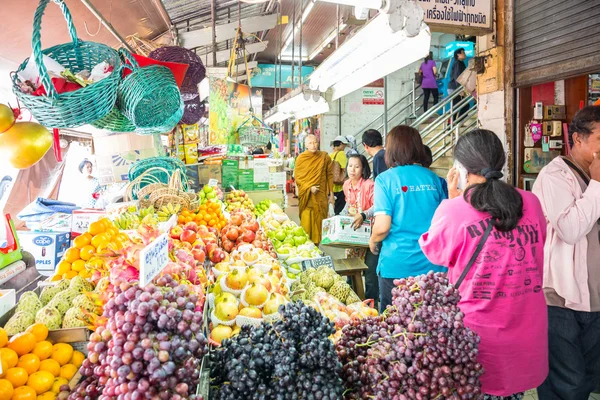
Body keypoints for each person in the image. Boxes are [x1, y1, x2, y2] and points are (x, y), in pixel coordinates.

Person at [420, 129, 548, 400]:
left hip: (477, 342)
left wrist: (453, 200)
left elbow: (434, 252)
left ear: (461, 168)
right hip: (527, 336)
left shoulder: (454, 209)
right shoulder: (532, 203)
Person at [532, 105, 600, 400]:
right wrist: (597, 184)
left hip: (595, 299)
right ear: (578, 139)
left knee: (588, 377)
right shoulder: (554, 176)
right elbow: (571, 230)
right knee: (566, 383)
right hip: (561, 296)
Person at [370, 125, 445, 311]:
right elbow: (445, 221)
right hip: (432, 267)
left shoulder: (385, 180)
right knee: (430, 327)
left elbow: (382, 227)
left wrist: (372, 240)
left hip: (397, 266)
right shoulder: (435, 179)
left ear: (392, 149)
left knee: (394, 327)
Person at [342, 154, 379, 306]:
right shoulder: (346, 185)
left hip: (370, 234)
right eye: (350, 166)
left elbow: (378, 206)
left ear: (363, 169)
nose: (353, 169)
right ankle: (354, 305)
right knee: (350, 270)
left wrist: (363, 215)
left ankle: (372, 305)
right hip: (353, 234)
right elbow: (347, 206)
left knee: (370, 273)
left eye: (357, 166)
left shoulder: (369, 185)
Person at [294, 134, 334, 244]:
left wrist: (331, 194)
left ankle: (317, 247)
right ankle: (306, 246)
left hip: (321, 197)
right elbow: (298, 178)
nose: (313, 145)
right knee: (306, 226)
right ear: (306, 145)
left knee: (319, 225)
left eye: (315, 142)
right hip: (307, 198)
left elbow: (329, 175)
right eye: (310, 143)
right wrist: (309, 187)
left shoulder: (325, 157)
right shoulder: (301, 159)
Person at [330, 135, 349, 215]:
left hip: (332, 187)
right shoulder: (341, 154)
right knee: (339, 210)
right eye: (344, 144)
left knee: (333, 209)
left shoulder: (331, 155)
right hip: (340, 187)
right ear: (340, 144)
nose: (345, 146)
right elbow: (344, 169)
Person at [449, 48, 468, 120]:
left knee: (460, 106)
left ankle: (455, 123)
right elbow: (457, 76)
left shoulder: (459, 63)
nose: (465, 54)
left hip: (455, 87)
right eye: (463, 52)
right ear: (458, 54)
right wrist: (460, 90)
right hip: (455, 88)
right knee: (460, 106)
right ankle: (452, 125)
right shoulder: (458, 63)